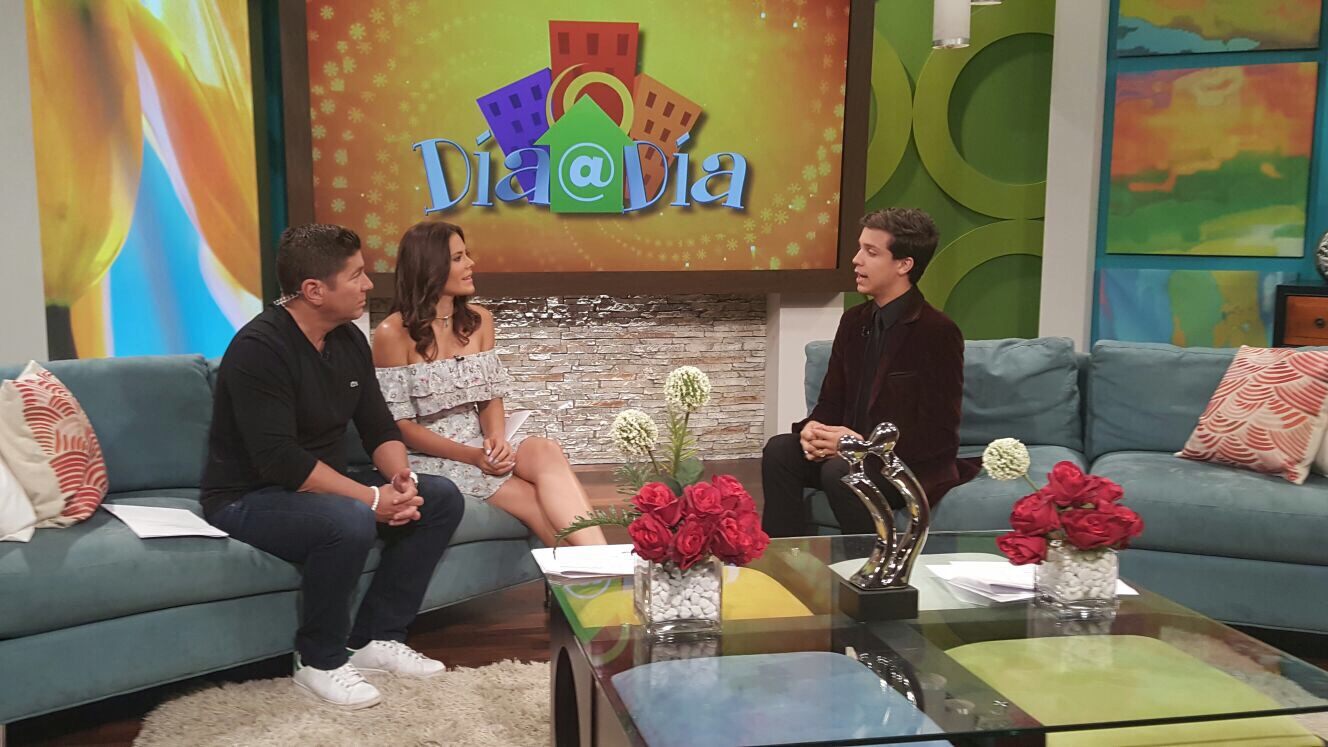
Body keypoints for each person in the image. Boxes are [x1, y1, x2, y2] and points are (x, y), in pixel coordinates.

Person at [202, 224, 465, 710]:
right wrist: (370, 499)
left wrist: (400, 481)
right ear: (313, 290)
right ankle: (318, 660)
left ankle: (375, 638)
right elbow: (279, 459)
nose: (368, 284)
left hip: (320, 487)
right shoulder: (260, 348)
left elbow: (377, 425)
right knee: (349, 519)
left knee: (441, 497)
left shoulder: (347, 339)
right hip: (249, 496)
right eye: (356, 275)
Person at [371, 220, 607, 547]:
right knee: (529, 498)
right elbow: (401, 427)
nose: (471, 264)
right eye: (458, 258)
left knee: (545, 451)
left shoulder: (480, 320)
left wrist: (496, 439)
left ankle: (604, 560)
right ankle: (595, 573)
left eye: (466, 254)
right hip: (431, 454)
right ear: (430, 267)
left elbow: (490, 397)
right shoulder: (391, 333)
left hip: (480, 442)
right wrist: (472, 456)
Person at [761, 208, 969, 537]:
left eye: (871, 252)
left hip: (903, 463)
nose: (856, 260)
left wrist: (864, 446)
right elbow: (831, 402)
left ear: (904, 265)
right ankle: (786, 559)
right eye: (860, 248)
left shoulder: (937, 331)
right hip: (849, 455)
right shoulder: (853, 321)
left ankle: (867, 564)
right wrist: (811, 430)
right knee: (780, 451)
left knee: (841, 472)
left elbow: (939, 434)